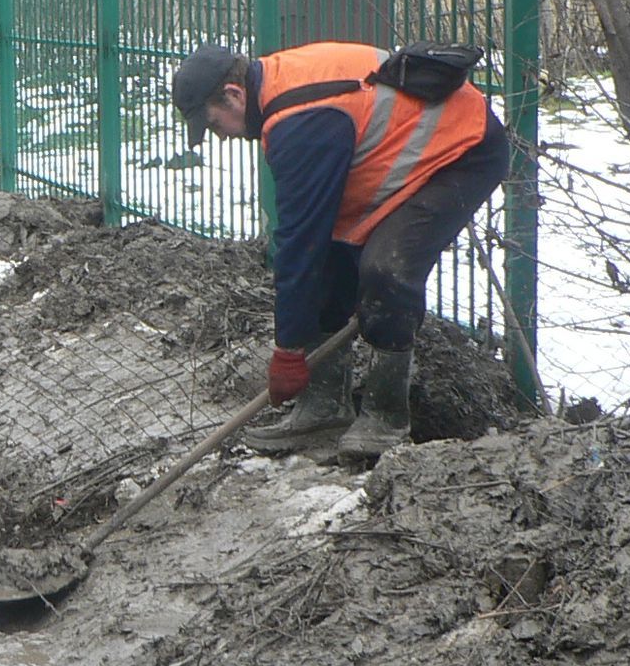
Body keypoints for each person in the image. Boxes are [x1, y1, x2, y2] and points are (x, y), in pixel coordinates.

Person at [172, 41, 509, 462]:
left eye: (213, 122)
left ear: (234, 94)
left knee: (386, 269)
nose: (219, 136)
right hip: (403, 152)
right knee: (332, 261)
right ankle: (326, 409)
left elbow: (299, 244)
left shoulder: (301, 121)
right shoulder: (278, 97)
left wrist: (289, 350)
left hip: (462, 150)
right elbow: (315, 245)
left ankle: (387, 418)